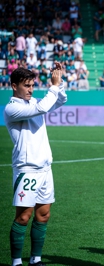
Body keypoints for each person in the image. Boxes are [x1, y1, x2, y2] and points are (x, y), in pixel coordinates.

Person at [4, 63, 67, 266]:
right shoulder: (12, 107)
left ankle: (36, 259)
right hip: (27, 168)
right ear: (14, 86)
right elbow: (43, 107)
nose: (31, 89)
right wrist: (53, 86)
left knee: (44, 214)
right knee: (23, 217)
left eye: (32, 85)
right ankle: (16, 261)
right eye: (26, 85)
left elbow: (60, 100)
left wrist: (59, 79)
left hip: (45, 169)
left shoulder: (34, 103)